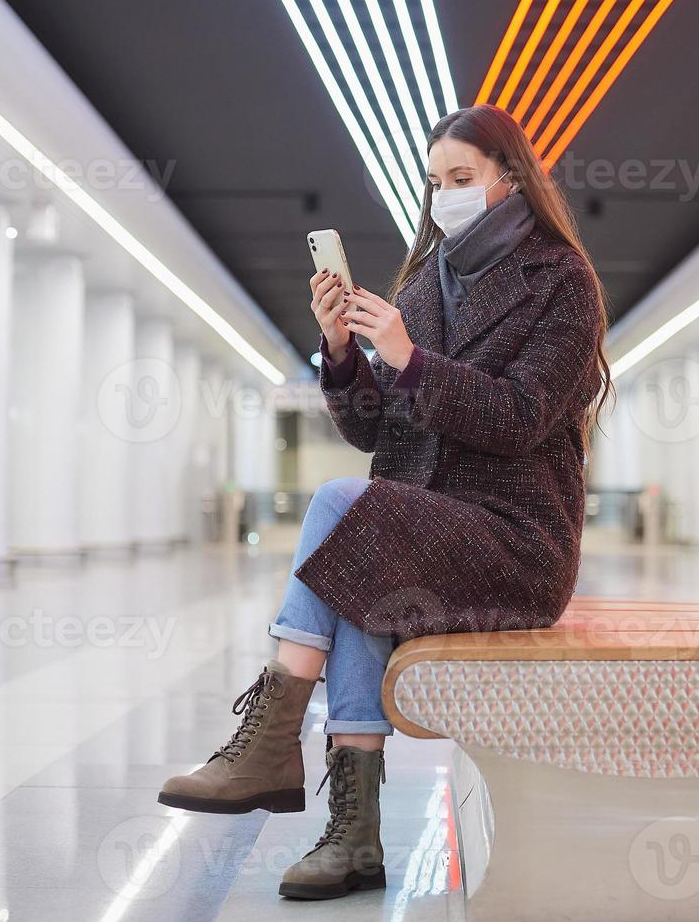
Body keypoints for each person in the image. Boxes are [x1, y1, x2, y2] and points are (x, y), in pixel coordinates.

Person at [158, 103, 612, 900]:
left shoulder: (561, 283)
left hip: (516, 542)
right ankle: (354, 839)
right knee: (363, 559)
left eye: (463, 179)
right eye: (435, 182)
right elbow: (378, 433)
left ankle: (268, 743)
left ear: (514, 179)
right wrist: (341, 351)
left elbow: (520, 417)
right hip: (422, 523)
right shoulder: (424, 282)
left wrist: (406, 355)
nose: (446, 196)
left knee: (350, 511)